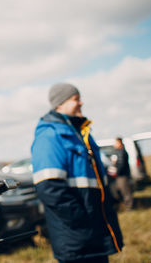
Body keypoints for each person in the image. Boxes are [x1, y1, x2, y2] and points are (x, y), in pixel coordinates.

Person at [31, 83, 123, 263]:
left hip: (93, 233)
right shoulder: (50, 136)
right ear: (60, 104)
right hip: (77, 238)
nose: (81, 103)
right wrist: (83, 222)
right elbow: (50, 188)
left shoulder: (80, 134)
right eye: (76, 99)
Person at [112, 137, 134, 210]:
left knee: (126, 192)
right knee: (119, 191)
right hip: (120, 175)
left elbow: (121, 165)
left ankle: (129, 207)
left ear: (120, 143)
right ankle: (124, 205)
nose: (114, 145)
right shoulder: (119, 152)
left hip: (122, 176)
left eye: (116, 143)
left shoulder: (122, 152)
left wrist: (116, 172)